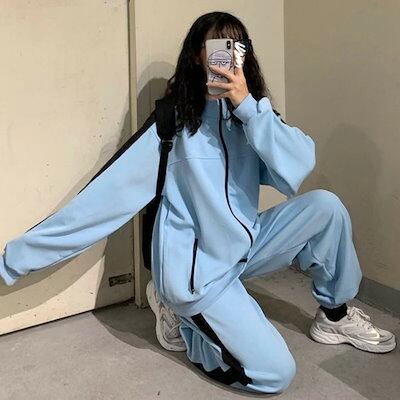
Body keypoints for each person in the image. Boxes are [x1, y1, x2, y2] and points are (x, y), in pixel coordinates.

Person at [0, 11, 395, 395]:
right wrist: (9, 263)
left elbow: (299, 163)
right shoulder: (171, 127)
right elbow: (96, 206)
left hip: (240, 250)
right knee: (274, 373)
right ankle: (183, 317)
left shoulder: (252, 117)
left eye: (238, 45)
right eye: (219, 46)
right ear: (196, 56)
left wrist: (248, 108)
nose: (229, 54)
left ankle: (334, 317)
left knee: (325, 207)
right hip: (195, 275)